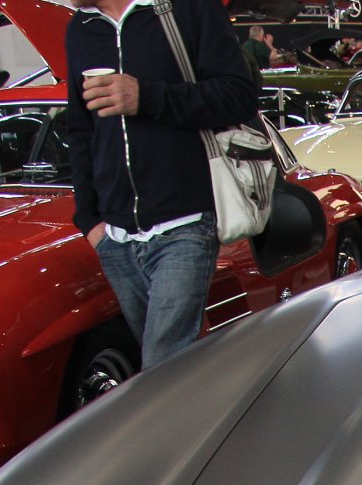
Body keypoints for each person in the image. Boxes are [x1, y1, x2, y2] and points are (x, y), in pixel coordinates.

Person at [64, 0, 257, 370]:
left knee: (161, 366)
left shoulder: (189, 8)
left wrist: (146, 97)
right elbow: (80, 131)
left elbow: (239, 96)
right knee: (174, 369)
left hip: (185, 224)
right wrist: (89, 221)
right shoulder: (81, 28)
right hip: (115, 237)